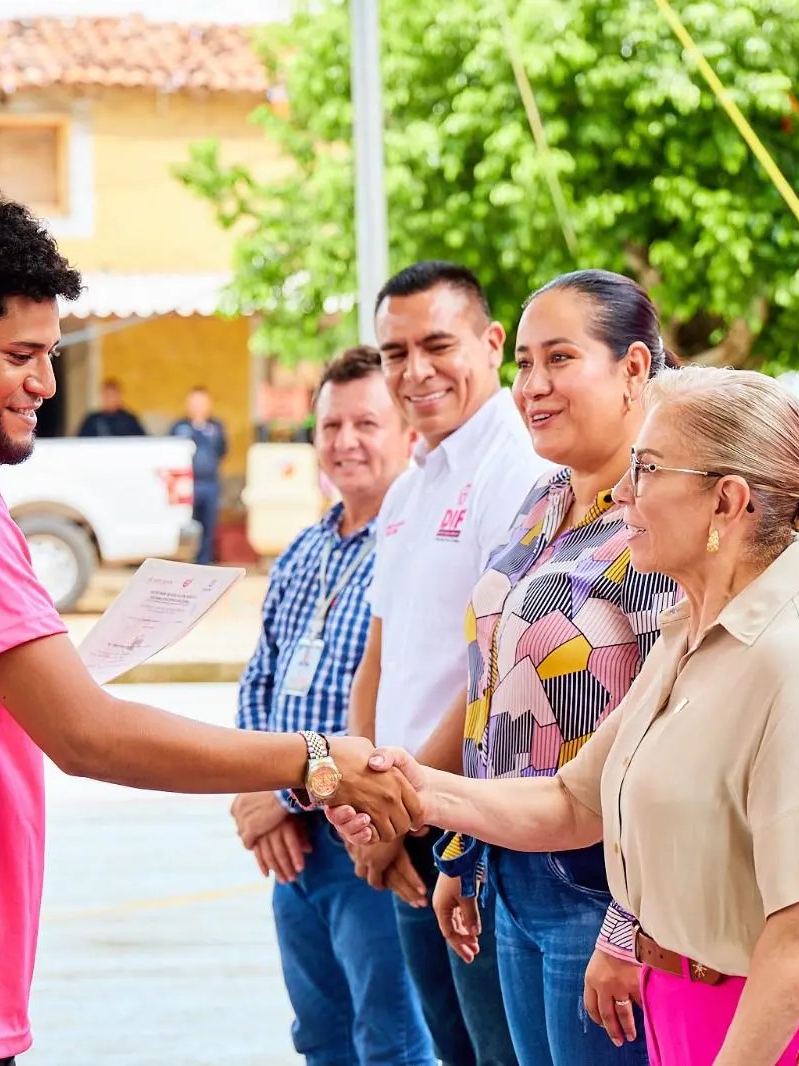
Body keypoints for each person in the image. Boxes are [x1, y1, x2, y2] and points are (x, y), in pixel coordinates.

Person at [0, 193, 420, 1065]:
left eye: (51, 355)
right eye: (19, 356)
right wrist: (318, 760)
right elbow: (87, 737)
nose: (46, 383)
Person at [334, 365, 799, 1066]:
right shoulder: (690, 633)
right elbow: (573, 801)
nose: (622, 492)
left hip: (757, 1025)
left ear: (727, 501)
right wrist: (413, 786)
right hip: (677, 1005)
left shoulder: (796, 657)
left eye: (647, 469)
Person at [424, 271, 679, 1066]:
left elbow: (676, 733)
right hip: (510, 872)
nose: (533, 385)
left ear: (634, 368)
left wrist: (630, 922)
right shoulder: (543, 500)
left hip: (600, 885)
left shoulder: (662, 512)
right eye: (525, 363)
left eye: (560, 358)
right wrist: (464, 846)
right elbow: (493, 689)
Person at [348, 260, 555, 1066]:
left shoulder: (521, 470)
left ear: (492, 343)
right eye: (395, 353)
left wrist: (396, 805)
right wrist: (363, 796)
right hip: (402, 817)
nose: (415, 371)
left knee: (500, 1053)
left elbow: (496, 675)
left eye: (438, 345)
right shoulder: (410, 487)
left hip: (467, 826)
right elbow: (381, 652)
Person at [232, 343, 432, 1065]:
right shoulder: (304, 550)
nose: (346, 441)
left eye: (366, 424)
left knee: (391, 1041)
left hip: (367, 839)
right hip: (294, 850)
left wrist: (285, 794)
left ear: (409, 433)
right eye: (331, 426)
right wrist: (258, 791)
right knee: (319, 1038)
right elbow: (260, 679)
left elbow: (402, 700)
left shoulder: (416, 547)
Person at [171, 386, 227, 564]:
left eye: (201, 402)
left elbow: (222, 450)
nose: (197, 406)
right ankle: (185, 561)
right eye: (194, 402)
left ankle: (204, 561)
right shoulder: (179, 427)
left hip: (209, 483)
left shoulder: (216, 427)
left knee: (208, 525)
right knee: (186, 524)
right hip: (186, 483)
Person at [76, 378, 146, 437]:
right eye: (106, 395)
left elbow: (142, 442)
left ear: (119, 397)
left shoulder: (129, 420)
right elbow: (80, 442)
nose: (109, 399)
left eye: (112, 395)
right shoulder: (92, 420)